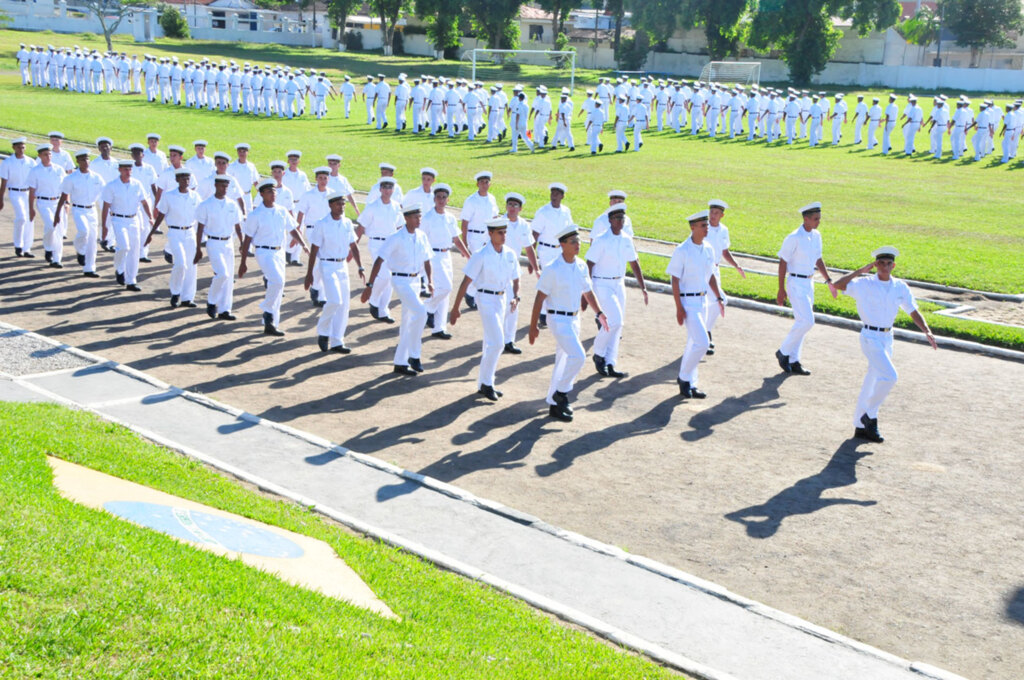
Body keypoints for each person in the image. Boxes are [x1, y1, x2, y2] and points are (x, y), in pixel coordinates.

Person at [833, 247, 937, 443]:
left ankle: (860, 426)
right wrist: (859, 271)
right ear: (875, 264)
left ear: (893, 265)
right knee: (890, 376)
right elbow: (838, 285)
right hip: (870, 337)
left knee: (872, 380)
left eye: (888, 263)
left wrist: (926, 330)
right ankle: (870, 415)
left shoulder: (900, 287)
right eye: (881, 263)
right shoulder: (863, 283)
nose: (885, 267)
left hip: (888, 337)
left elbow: (912, 310)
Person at [528, 224, 609, 422]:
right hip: (557, 319)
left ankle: (554, 404)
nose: (577, 244)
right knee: (578, 356)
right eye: (573, 242)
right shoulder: (552, 269)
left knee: (562, 362)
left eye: (578, 241)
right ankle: (561, 393)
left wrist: (599, 312)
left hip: (574, 319)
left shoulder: (581, 265)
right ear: (562, 244)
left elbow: (588, 292)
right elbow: (539, 298)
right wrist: (533, 326)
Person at [449, 217, 522, 401]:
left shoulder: (510, 254)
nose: (504, 235)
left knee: (490, 342)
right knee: (497, 342)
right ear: (490, 234)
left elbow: (516, 278)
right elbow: (466, 281)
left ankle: (483, 383)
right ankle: (488, 383)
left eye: (505, 232)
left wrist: (515, 297)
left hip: (503, 299)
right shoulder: (481, 254)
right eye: (500, 232)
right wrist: (456, 307)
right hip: (486, 299)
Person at [360, 205, 434, 376]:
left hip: (415, 280)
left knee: (408, 322)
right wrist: (370, 286)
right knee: (421, 313)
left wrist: (429, 281)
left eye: (419, 216)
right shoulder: (396, 238)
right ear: (406, 218)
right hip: (401, 280)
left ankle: (400, 362)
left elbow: (427, 259)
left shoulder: (422, 236)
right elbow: (379, 261)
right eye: (415, 217)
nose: (418, 220)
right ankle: (414, 355)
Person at [666, 210, 725, 399]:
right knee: (702, 342)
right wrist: (678, 307)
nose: (706, 228)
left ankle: (691, 383)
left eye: (707, 225)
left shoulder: (708, 248)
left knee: (693, 343)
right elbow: (674, 280)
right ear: (693, 227)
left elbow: (711, 276)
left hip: (703, 301)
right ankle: (684, 378)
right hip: (688, 301)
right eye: (702, 225)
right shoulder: (682, 250)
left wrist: (718, 297)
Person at [774, 202, 837, 376]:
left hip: (809, 283)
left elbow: (818, 259)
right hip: (795, 282)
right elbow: (783, 262)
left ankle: (794, 360)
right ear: (806, 218)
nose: (818, 222)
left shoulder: (816, 236)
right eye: (815, 219)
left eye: (819, 219)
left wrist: (828, 280)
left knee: (802, 322)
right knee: (807, 321)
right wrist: (781, 289)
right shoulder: (794, 237)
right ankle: (783, 352)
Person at [238, 179, 308, 336]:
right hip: (263, 252)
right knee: (277, 281)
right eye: (269, 191)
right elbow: (247, 239)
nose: (273, 194)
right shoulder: (256, 214)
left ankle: (271, 323)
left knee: (277, 286)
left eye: (274, 191)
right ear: (261, 194)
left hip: (279, 252)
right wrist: (243, 262)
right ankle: (268, 312)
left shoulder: (282, 211)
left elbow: (292, 229)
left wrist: (303, 244)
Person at [586, 203, 648, 378]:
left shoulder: (626, 239)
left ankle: (610, 362)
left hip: (619, 284)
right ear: (610, 220)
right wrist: (587, 291)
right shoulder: (601, 239)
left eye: (623, 218)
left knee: (618, 326)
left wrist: (642, 286)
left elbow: (634, 262)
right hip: (602, 284)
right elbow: (589, 264)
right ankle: (598, 353)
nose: (621, 221)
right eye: (618, 218)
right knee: (615, 321)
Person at [304, 192, 365, 354]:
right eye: (338, 204)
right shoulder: (322, 224)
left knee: (344, 305)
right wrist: (309, 273)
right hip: (327, 265)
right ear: (330, 205)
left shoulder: (346, 223)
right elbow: (314, 250)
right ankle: (323, 332)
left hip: (342, 265)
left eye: (343, 204)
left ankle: (337, 340)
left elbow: (354, 246)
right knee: (335, 300)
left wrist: (360, 266)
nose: (342, 207)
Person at [421, 183, 470, 339]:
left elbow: (456, 238)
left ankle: (439, 327)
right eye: (438, 197)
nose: (441, 200)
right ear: (434, 199)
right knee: (445, 288)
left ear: (448, 200)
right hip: (432, 256)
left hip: (446, 255)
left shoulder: (450, 218)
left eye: (444, 197)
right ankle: (427, 308)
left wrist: (467, 254)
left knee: (445, 293)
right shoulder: (427, 217)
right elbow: (421, 239)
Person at [147, 169, 201, 308]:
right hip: (175, 232)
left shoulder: (195, 196)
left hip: (190, 233)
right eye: (182, 178)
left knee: (191, 266)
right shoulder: (169, 196)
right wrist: (151, 233)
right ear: (177, 180)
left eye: (188, 178)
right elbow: (161, 215)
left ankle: (187, 298)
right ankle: (176, 292)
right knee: (181, 263)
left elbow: (202, 217)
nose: (186, 181)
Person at [194, 175, 244, 321]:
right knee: (222, 274)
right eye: (222, 185)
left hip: (228, 243)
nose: (224, 189)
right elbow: (200, 229)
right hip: (213, 243)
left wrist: (241, 243)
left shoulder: (232, 205)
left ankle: (225, 309)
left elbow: (238, 226)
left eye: (226, 186)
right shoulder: (206, 205)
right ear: (215, 186)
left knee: (229, 278)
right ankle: (211, 301)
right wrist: (198, 248)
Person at [101, 160, 153, 292]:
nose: (128, 171)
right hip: (118, 219)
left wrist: (150, 217)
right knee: (124, 247)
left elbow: (144, 202)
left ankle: (131, 280)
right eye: (125, 169)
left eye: (130, 169)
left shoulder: (137, 184)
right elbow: (106, 207)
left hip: (134, 219)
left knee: (134, 251)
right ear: (119, 170)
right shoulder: (111, 186)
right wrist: (104, 226)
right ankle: (119, 269)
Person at [356, 176, 403, 322]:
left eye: (390, 187)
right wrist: (353, 247)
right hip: (376, 243)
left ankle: (383, 310)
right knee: (384, 275)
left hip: (392, 244)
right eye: (385, 187)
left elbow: (400, 226)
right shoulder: (372, 207)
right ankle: (374, 300)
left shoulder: (396, 206)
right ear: (380, 189)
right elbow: (361, 227)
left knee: (390, 279)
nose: (388, 190)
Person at [703, 199, 746, 354]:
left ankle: (704, 333)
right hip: (703, 270)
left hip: (715, 270)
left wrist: (736, 266)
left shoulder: (723, 230)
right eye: (711, 212)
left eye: (716, 213)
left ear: (722, 215)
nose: (712, 216)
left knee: (711, 303)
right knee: (721, 300)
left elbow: (725, 252)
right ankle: (704, 333)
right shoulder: (702, 228)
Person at [54, 149, 105, 276]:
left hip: (92, 209)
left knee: (93, 239)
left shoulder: (96, 177)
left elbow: (106, 192)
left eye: (87, 159)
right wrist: (57, 213)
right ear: (77, 161)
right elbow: (64, 195)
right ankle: (80, 250)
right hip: (78, 209)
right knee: (84, 231)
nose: (86, 162)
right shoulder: (71, 178)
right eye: (83, 159)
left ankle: (89, 268)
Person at [501, 192, 539, 354]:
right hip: (498, 265)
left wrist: (536, 268)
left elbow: (529, 248)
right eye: (510, 204)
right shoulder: (499, 222)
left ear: (520, 209)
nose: (512, 208)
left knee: (513, 304)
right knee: (499, 305)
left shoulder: (523, 225)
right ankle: (497, 339)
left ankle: (509, 340)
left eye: (515, 205)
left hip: (513, 267)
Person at [460, 170, 499, 309]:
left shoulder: (492, 199)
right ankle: (470, 294)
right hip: (474, 236)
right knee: (477, 267)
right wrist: (464, 243)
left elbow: (494, 218)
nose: (484, 184)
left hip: (487, 236)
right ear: (477, 184)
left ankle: (472, 293)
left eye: (486, 182)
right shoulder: (471, 200)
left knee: (486, 266)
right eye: (482, 182)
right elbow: (464, 223)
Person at [26, 144, 67, 267]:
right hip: (43, 202)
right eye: (45, 154)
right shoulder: (35, 171)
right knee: (50, 225)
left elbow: (65, 188)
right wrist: (31, 208)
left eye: (49, 154)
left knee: (58, 230)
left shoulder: (59, 169)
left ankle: (56, 259)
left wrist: (67, 203)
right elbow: (32, 191)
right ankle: (48, 247)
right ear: (39, 156)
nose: (48, 156)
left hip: (58, 202)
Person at [0, 137, 37, 257]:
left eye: (23, 147)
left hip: (28, 193)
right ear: (13, 148)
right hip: (15, 192)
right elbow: (4, 182)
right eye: (18, 147)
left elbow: (35, 180)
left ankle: (27, 248)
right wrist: (0, 199)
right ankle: (18, 245)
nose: (21, 149)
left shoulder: (31, 162)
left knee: (30, 219)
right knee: (21, 217)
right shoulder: (7, 162)